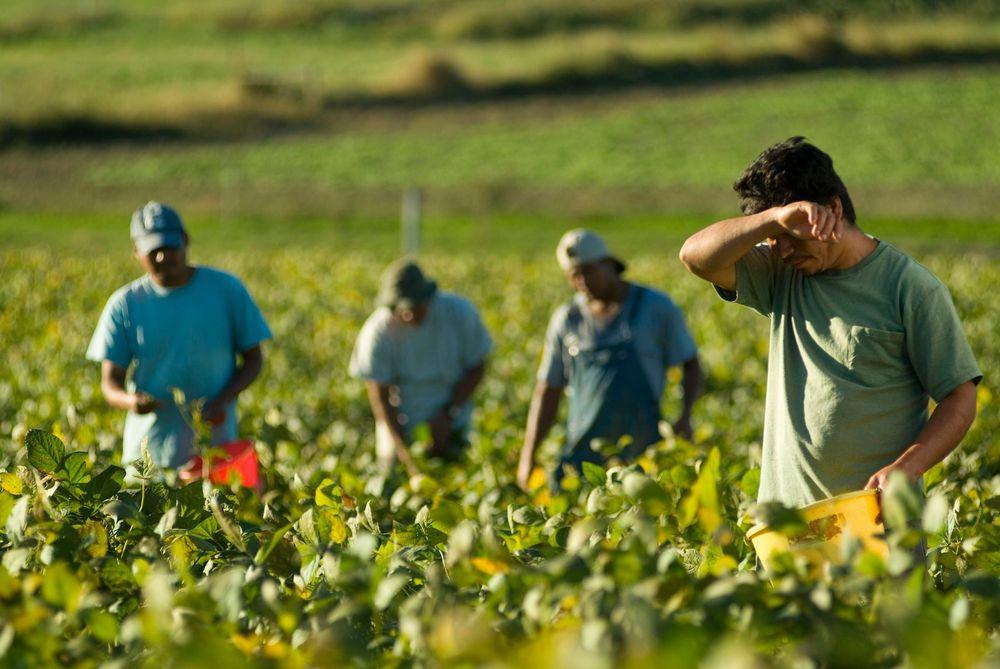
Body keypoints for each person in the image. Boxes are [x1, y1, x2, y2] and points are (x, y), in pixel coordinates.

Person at [679, 137, 981, 509]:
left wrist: (907, 468)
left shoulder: (909, 287)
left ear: (833, 209)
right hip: (788, 524)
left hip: (874, 519)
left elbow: (960, 396)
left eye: (791, 236)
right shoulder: (780, 274)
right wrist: (772, 220)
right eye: (774, 239)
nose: (783, 249)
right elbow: (695, 257)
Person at [87, 202, 272, 479]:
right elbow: (110, 383)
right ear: (137, 252)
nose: (162, 257)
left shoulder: (226, 290)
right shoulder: (125, 304)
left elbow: (254, 359)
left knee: (213, 518)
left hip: (214, 450)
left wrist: (223, 399)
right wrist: (131, 401)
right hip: (148, 457)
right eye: (153, 251)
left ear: (185, 241)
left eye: (169, 247)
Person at [517, 229, 703, 490]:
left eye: (588, 271)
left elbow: (690, 364)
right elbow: (548, 389)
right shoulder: (567, 319)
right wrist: (528, 455)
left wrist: (685, 416)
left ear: (608, 264)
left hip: (643, 451)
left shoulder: (655, 307)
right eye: (574, 276)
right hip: (584, 454)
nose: (582, 281)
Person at [349, 259, 493, 476]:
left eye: (414, 307)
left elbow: (478, 366)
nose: (408, 315)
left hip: (454, 420)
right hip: (400, 426)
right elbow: (380, 398)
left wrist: (448, 415)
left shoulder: (458, 313)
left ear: (428, 298)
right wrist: (404, 452)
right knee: (392, 482)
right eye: (401, 309)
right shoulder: (378, 332)